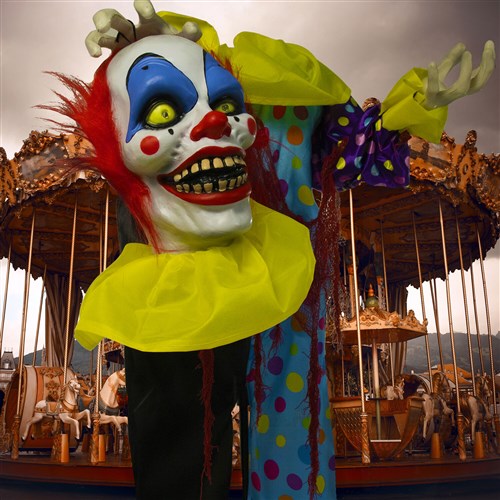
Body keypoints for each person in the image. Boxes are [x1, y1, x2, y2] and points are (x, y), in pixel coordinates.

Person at [50, 1, 493, 498]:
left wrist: (413, 107)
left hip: (284, 277)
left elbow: (356, 153)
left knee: (285, 418)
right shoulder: (201, 65)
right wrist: (142, 57)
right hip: (193, 268)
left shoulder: (304, 95)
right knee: (183, 424)